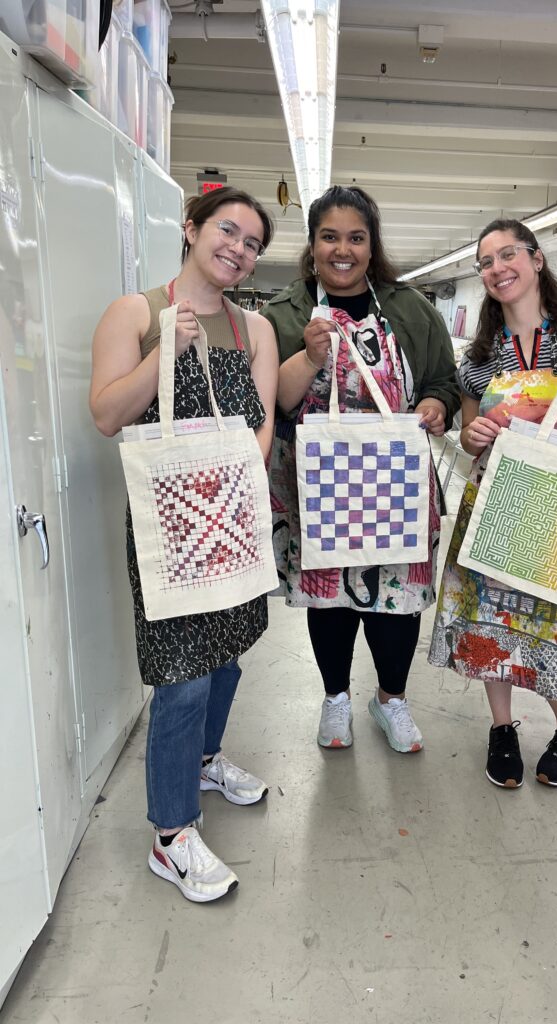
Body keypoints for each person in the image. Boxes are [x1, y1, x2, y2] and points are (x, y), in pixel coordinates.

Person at [90, 187, 279, 902]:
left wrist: (238, 484)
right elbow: (106, 413)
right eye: (227, 230)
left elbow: (259, 424)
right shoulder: (134, 312)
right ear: (191, 229)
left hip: (229, 516)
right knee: (183, 675)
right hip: (166, 526)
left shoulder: (255, 329)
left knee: (228, 654)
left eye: (252, 242)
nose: (238, 247)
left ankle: (204, 758)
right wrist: (165, 350)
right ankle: (171, 837)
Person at [428, 218, 557, 789]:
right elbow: (473, 432)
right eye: (485, 262)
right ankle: (502, 728)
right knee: (493, 620)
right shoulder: (480, 356)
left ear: (537, 258)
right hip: (496, 498)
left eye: (507, 255)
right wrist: (470, 436)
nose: (497, 268)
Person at [262, 185, 459, 754]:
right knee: (331, 598)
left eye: (355, 237)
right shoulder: (285, 313)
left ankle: (391, 699)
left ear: (372, 246)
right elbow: (274, 401)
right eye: (329, 237)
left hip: (394, 479)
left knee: (395, 601)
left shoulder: (409, 309)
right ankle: (336, 698)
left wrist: (436, 406)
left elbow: (442, 380)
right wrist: (311, 355)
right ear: (313, 243)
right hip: (316, 481)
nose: (341, 250)